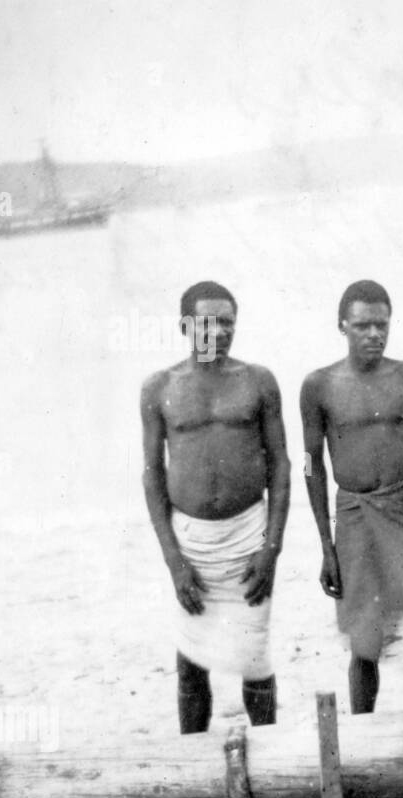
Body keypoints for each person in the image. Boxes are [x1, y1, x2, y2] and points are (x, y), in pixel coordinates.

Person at [140, 280, 290, 733]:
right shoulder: (160, 387)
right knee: (190, 663)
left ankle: (270, 758)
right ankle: (193, 765)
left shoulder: (257, 381)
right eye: (208, 322)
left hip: (249, 534)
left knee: (254, 658)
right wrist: (173, 560)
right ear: (185, 326)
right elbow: (152, 475)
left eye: (228, 322)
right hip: (191, 541)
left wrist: (271, 549)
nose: (220, 332)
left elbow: (281, 466)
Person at [299, 280, 403, 713]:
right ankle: (360, 728)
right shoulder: (319, 385)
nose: (373, 334)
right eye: (363, 325)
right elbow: (312, 463)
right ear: (342, 325)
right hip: (354, 514)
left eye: (381, 325)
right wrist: (326, 547)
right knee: (364, 639)